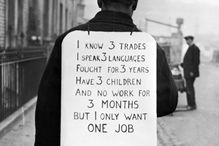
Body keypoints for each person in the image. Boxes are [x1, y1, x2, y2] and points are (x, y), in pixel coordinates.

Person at [34, 0, 178, 145]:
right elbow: (168, 102)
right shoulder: (149, 47)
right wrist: (129, 108)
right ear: (134, 4)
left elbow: (48, 107)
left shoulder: (68, 41)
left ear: (99, 1)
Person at [181, 35, 200, 110]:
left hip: (190, 73)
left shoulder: (195, 49)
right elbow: (188, 61)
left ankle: (192, 105)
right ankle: (190, 104)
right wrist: (181, 64)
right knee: (189, 88)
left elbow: (196, 62)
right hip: (188, 72)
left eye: (187, 40)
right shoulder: (190, 48)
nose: (186, 41)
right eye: (186, 40)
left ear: (191, 40)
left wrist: (192, 71)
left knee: (190, 88)